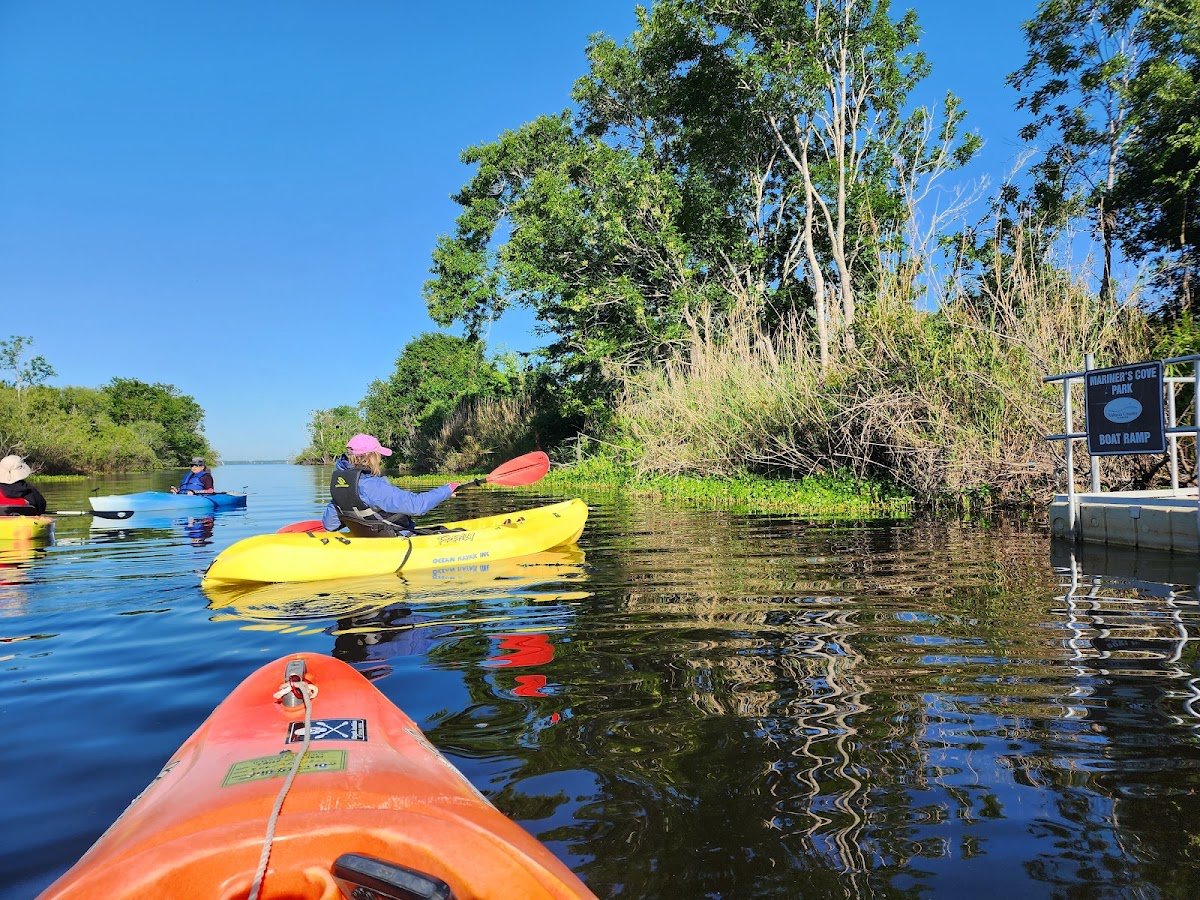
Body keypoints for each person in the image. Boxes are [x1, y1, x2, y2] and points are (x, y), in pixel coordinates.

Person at [322, 433, 458, 537]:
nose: (380, 460)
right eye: (378, 456)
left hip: (367, 539)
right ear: (370, 457)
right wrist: (446, 490)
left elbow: (330, 524)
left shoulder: (341, 484)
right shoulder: (372, 486)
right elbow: (417, 506)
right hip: (393, 539)